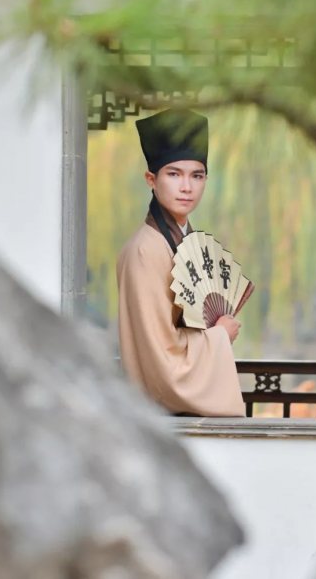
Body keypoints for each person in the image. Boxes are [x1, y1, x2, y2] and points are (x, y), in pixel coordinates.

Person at [116, 107, 246, 417]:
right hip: (162, 419)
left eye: (196, 176)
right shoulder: (145, 250)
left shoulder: (181, 241)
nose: (186, 187)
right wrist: (220, 336)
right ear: (151, 179)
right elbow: (162, 358)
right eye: (174, 174)